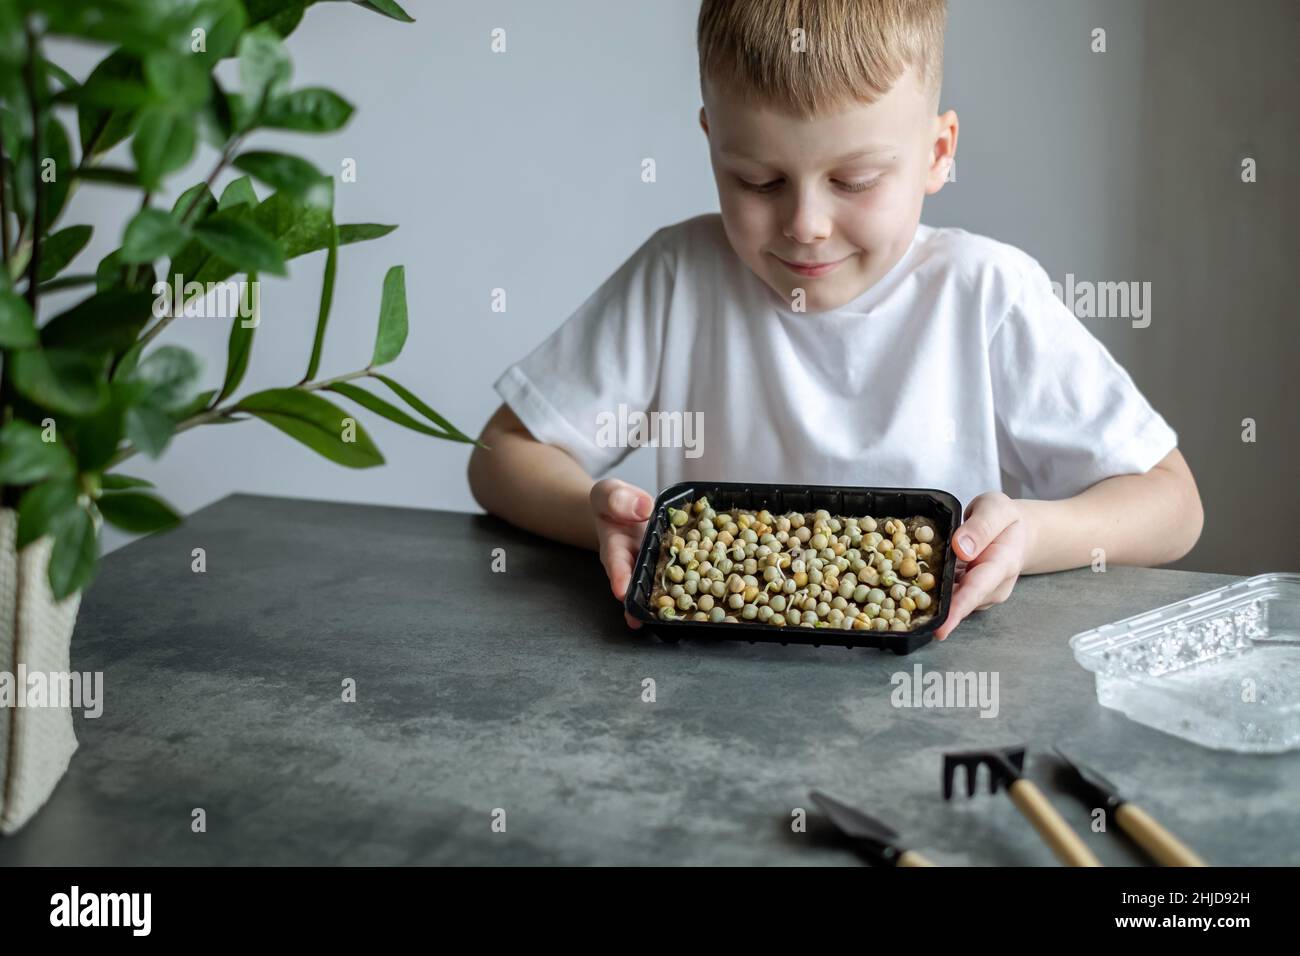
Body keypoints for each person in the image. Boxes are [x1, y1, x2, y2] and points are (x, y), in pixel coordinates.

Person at [468, 0, 1203, 640]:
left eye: (854, 181)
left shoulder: (985, 295)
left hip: (929, 694)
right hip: (714, 697)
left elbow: (1173, 506)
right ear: (711, 146)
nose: (806, 224)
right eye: (758, 180)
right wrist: (606, 521)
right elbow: (500, 458)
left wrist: (1033, 533)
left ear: (937, 154)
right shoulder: (679, 275)